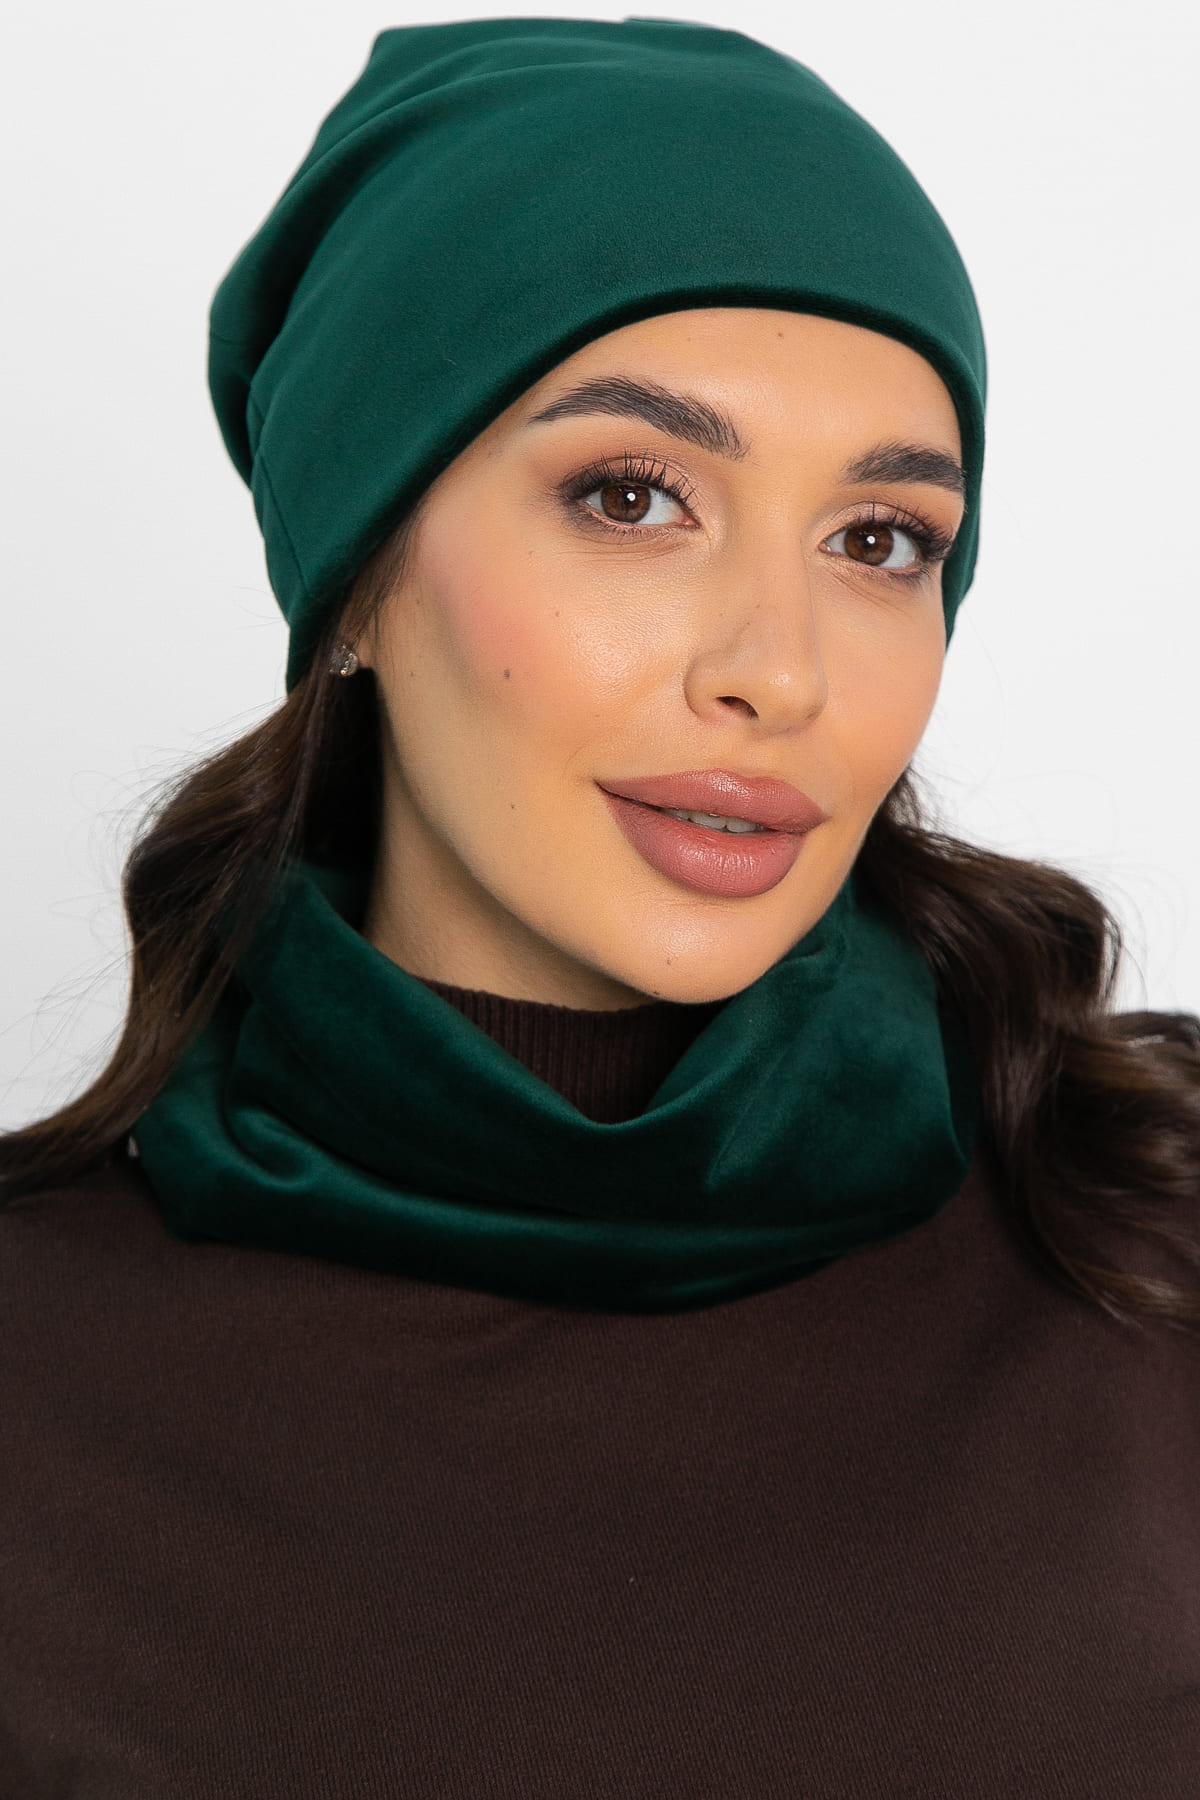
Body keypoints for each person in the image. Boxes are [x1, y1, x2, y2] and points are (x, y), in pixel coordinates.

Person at [2, 16, 1198, 1796]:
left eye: (879, 539)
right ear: (357, 574)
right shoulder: (37, 1385)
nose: (780, 672)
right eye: (633, 497)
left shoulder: (1150, 1240)